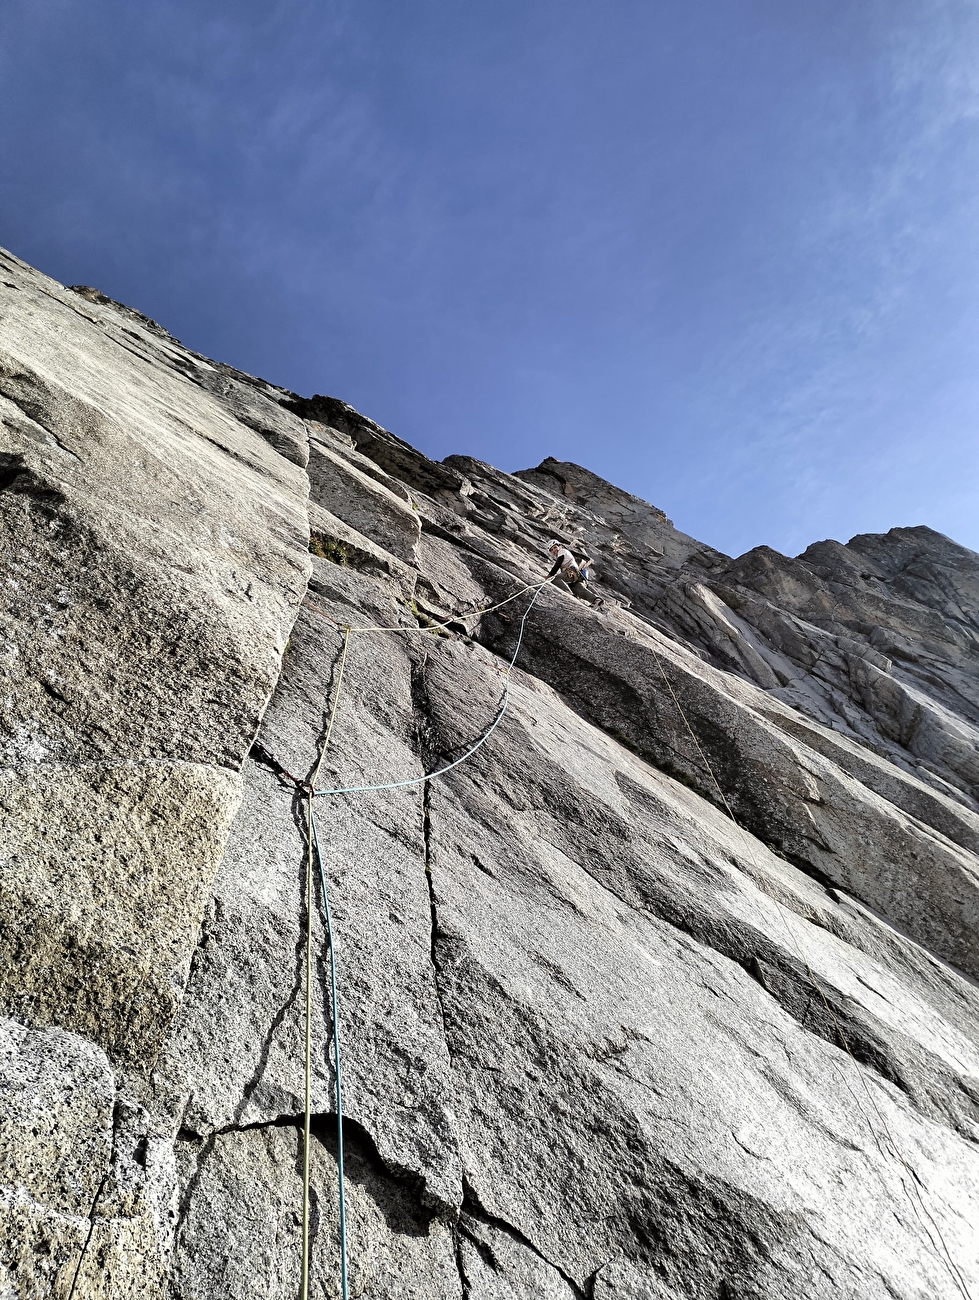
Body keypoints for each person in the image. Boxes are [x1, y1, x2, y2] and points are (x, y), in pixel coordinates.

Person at [545, 540, 603, 607]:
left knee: (555, 579)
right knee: (578, 589)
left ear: (559, 546)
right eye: (551, 550)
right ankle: (596, 600)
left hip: (572, 572)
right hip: (575, 575)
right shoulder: (564, 553)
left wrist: (549, 576)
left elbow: (557, 566)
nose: (554, 550)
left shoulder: (562, 551)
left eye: (555, 547)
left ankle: (568, 595)